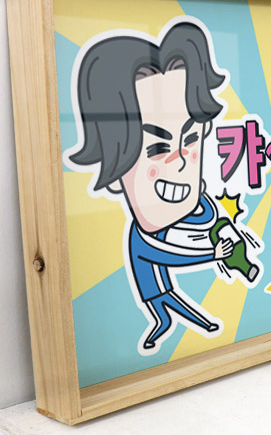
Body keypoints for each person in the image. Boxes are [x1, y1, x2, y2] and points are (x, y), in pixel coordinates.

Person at [69, 20, 239, 352]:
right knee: (165, 307)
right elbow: (170, 255)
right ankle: (169, 325)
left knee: (170, 305)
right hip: (154, 289)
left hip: (160, 287)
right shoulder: (142, 237)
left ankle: (184, 323)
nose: (180, 161)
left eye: (191, 138)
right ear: (114, 162)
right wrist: (212, 253)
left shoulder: (204, 209)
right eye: (157, 148)